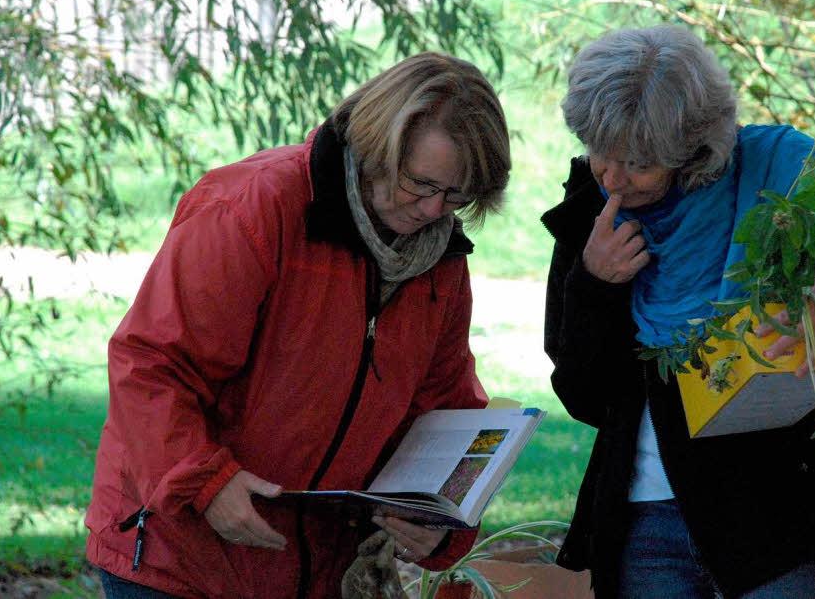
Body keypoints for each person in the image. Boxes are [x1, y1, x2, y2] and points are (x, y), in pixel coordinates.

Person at [541, 25, 815, 598]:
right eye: (599, 153)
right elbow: (584, 396)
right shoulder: (595, 215)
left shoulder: (778, 170)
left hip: (782, 516)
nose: (611, 177)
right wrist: (593, 284)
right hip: (646, 517)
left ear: (691, 150)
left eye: (637, 163)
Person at [85, 52, 511, 598]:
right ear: (378, 146)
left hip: (316, 569)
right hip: (180, 559)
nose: (433, 210)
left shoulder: (441, 259)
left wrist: (441, 517)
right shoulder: (254, 206)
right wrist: (206, 484)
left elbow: (443, 406)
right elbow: (152, 364)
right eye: (420, 185)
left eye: (456, 196)